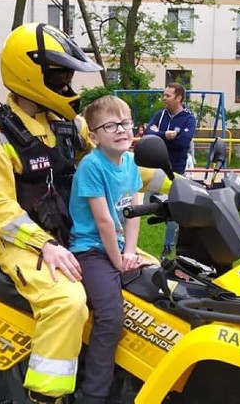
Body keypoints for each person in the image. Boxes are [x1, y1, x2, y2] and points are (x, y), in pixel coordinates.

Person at [0, 23, 102, 404]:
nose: (67, 84)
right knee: (67, 302)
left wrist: (171, 184)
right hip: (19, 242)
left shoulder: (69, 124)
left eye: (68, 75)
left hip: (70, 232)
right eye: (59, 75)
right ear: (31, 74)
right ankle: (46, 397)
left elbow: (105, 164)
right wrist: (45, 245)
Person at [68, 95, 145, 404]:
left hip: (120, 248)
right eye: (110, 125)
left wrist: (131, 251)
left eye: (125, 122)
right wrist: (118, 260)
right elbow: (102, 221)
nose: (121, 130)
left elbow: (133, 211)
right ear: (94, 135)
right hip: (92, 250)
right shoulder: (91, 165)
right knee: (111, 315)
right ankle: (94, 395)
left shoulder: (129, 162)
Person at [143, 82, 196, 255]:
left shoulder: (188, 118)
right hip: (153, 169)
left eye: (167, 95)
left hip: (175, 172)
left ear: (178, 98)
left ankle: (168, 246)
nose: (163, 98)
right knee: (145, 208)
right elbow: (146, 135)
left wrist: (157, 135)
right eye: (164, 95)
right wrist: (165, 135)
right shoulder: (160, 115)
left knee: (174, 210)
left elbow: (183, 142)